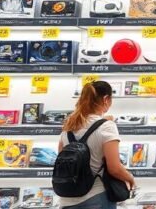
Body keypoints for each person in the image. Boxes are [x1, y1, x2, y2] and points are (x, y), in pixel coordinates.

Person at [57, 81, 136, 209]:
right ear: (106, 99)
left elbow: (61, 157)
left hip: (66, 199)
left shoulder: (69, 126)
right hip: (95, 198)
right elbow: (114, 168)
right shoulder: (107, 127)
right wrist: (130, 178)